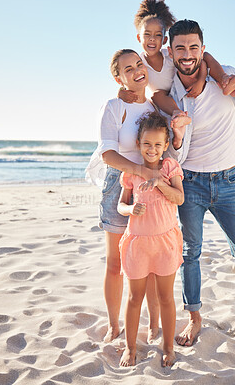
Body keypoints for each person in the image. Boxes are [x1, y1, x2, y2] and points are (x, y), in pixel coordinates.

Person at [166, 19, 235, 346]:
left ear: (203, 48)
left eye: (193, 47)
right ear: (171, 52)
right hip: (191, 185)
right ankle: (194, 318)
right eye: (180, 48)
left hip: (228, 183)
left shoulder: (225, 74)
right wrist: (176, 133)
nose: (187, 54)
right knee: (191, 254)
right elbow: (175, 151)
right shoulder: (171, 94)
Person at [85, 49, 186, 344]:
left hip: (154, 183)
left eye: (139, 64)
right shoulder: (114, 106)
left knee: (153, 263)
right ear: (118, 77)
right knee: (116, 261)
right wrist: (140, 172)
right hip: (121, 181)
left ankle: (154, 325)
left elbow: (167, 147)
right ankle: (113, 325)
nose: (137, 71)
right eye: (128, 69)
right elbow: (107, 153)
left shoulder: (155, 108)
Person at [119, 0, 235, 141]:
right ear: (139, 38)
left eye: (157, 35)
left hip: (182, 86)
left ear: (164, 41)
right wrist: (121, 92)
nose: (152, 39)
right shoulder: (139, 62)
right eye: (147, 35)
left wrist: (200, 81)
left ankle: (225, 80)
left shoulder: (169, 55)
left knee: (206, 56)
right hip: (166, 98)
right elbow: (128, 78)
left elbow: (201, 61)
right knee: (156, 95)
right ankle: (179, 114)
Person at [117, 111, 184, 367]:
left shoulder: (169, 167)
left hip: (165, 242)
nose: (152, 149)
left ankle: (168, 347)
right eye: (147, 144)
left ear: (166, 145)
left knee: (166, 297)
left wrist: (158, 183)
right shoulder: (131, 173)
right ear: (138, 144)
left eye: (158, 144)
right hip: (138, 243)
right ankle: (130, 348)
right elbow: (121, 205)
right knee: (135, 298)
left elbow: (179, 198)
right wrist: (130, 210)